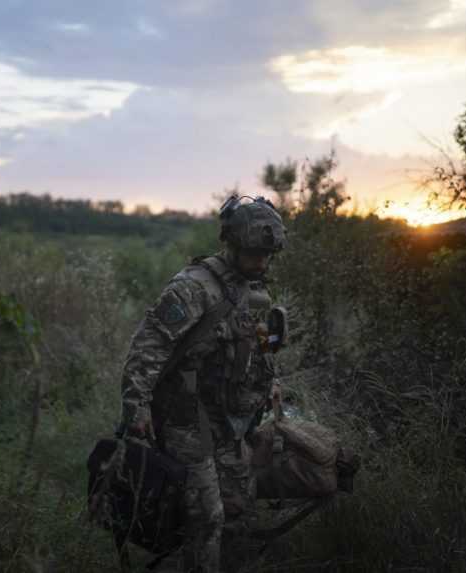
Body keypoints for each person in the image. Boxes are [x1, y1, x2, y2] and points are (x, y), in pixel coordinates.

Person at [120, 194, 287, 572]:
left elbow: (258, 347)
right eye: (253, 253)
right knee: (206, 515)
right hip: (185, 419)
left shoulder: (255, 290)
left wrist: (271, 383)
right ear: (231, 244)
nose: (261, 262)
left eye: (267, 255)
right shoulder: (194, 288)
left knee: (239, 507)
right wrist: (137, 406)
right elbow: (149, 346)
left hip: (228, 420)